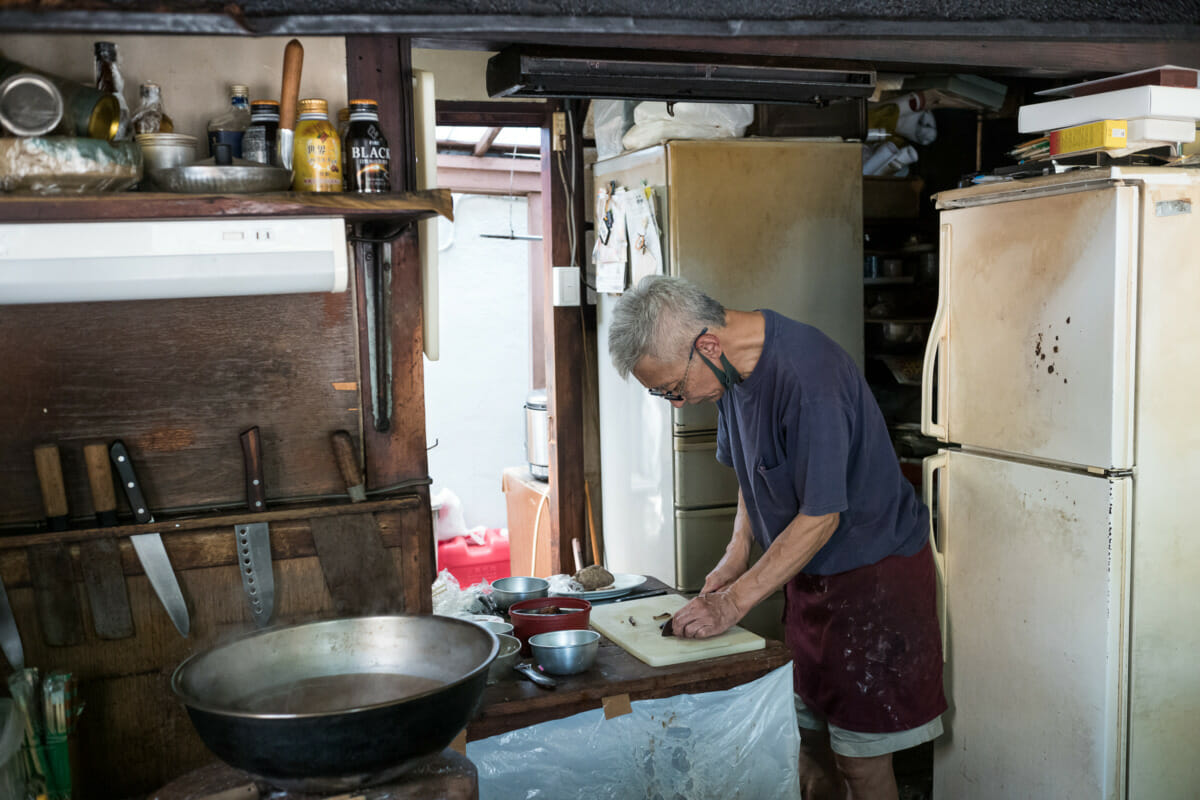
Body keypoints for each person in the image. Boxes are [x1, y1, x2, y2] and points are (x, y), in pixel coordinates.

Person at [607, 275, 946, 800]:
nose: (676, 404)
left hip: (874, 587)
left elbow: (820, 518)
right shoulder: (729, 376)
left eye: (672, 389)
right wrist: (735, 555)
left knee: (859, 763)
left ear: (708, 345)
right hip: (808, 578)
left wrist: (732, 604)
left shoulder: (810, 378)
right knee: (807, 746)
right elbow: (754, 470)